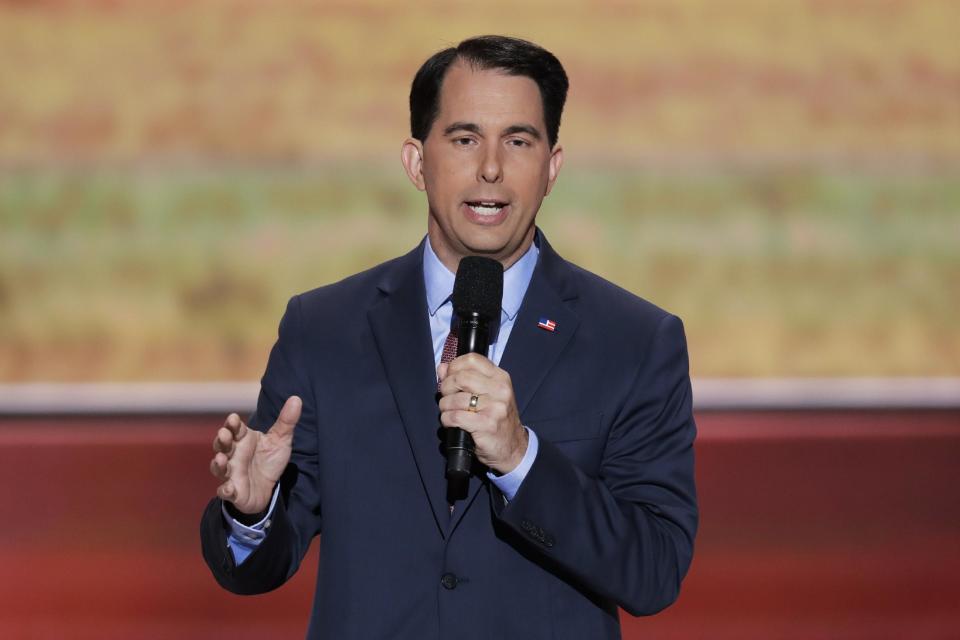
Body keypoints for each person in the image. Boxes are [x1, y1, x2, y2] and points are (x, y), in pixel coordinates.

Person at [201, 35, 698, 639]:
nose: (490, 167)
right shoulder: (324, 329)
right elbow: (262, 564)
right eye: (465, 139)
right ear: (416, 162)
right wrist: (254, 513)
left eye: (518, 141)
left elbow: (654, 571)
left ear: (552, 168)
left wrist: (522, 460)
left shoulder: (636, 341)